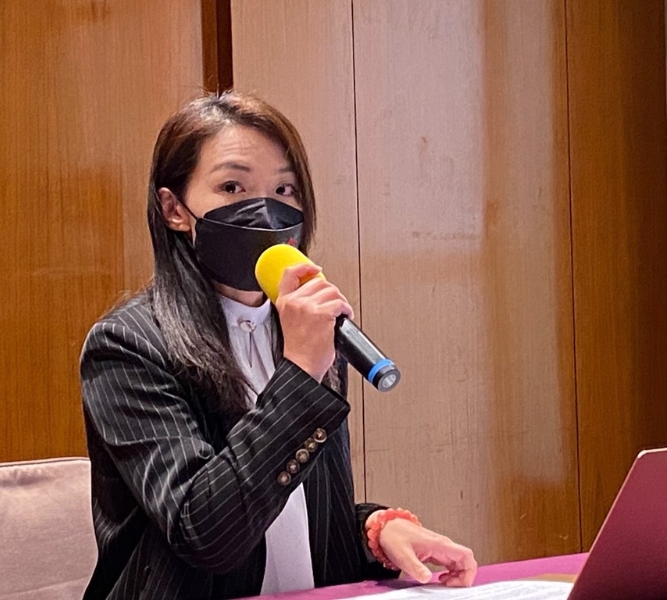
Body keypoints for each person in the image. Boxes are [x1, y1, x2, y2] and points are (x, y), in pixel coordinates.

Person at [80, 91, 477, 600]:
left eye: (284, 189)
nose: (264, 211)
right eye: (232, 187)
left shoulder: (306, 331)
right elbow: (205, 533)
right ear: (174, 209)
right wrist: (300, 372)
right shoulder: (127, 346)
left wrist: (376, 530)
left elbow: (290, 514)